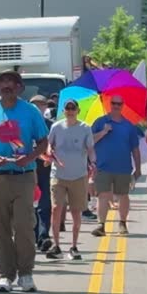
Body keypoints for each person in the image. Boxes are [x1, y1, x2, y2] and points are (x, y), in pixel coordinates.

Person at [0, 70, 49, 293]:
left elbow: (43, 142)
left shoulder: (30, 111)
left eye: (11, 82)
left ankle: (26, 273)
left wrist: (29, 157)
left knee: (24, 227)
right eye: (2, 82)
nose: (6, 86)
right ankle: (5, 274)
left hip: (24, 176)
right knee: (0, 227)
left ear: (18, 87)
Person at [47, 99, 96, 260]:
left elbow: (90, 148)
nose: (70, 111)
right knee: (56, 209)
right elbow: (49, 145)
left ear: (78, 110)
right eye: (67, 108)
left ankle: (74, 246)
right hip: (58, 175)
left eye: (72, 108)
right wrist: (49, 154)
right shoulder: (56, 127)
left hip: (78, 175)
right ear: (63, 111)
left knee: (76, 212)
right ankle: (56, 245)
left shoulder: (85, 128)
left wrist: (93, 163)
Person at [90, 95, 141, 237]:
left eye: (119, 103)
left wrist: (138, 168)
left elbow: (135, 148)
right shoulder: (100, 122)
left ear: (122, 105)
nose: (116, 106)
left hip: (123, 167)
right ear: (109, 104)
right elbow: (90, 141)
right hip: (103, 166)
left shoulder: (129, 126)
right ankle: (101, 225)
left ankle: (123, 223)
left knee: (123, 195)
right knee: (103, 196)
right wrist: (103, 132)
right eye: (113, 103)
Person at [30, 95, 54, 253]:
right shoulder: (26, 124)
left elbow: (54, 145)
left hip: (45, 169)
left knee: (45, 203)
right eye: (34, 105)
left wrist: (51, 157)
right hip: (28, 169)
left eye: (41, 105)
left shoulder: (51, 126)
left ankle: (43, 236)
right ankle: (32, 235)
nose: (38, 108)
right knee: (30, 205)